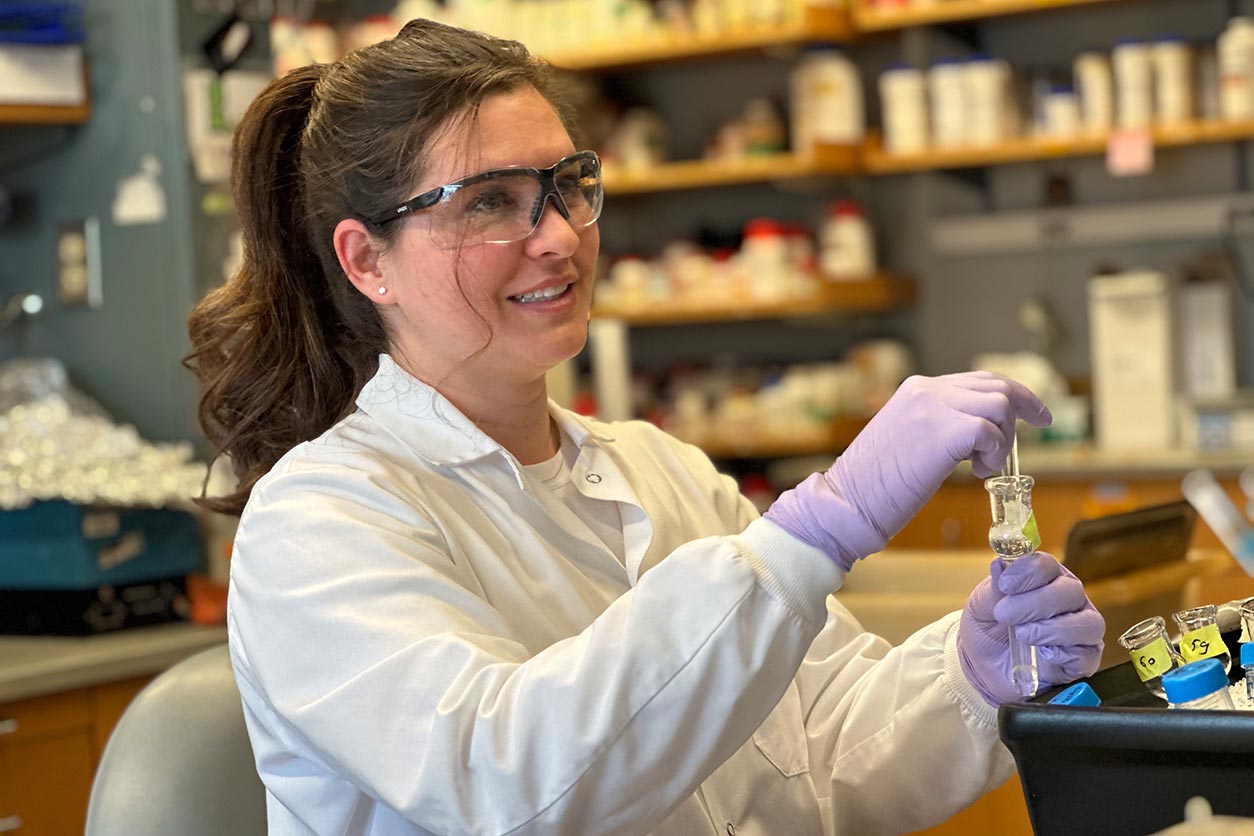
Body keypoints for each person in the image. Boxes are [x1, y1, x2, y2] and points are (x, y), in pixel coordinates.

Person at [186, 18, 1105, 836]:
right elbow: (511, 789)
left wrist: (970, 679)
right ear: (366, 260)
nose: (557, 235)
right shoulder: (320, 520)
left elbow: (824, 763)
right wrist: (814, 530)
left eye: (566, 184)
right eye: (489, 202)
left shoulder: (662, 472)